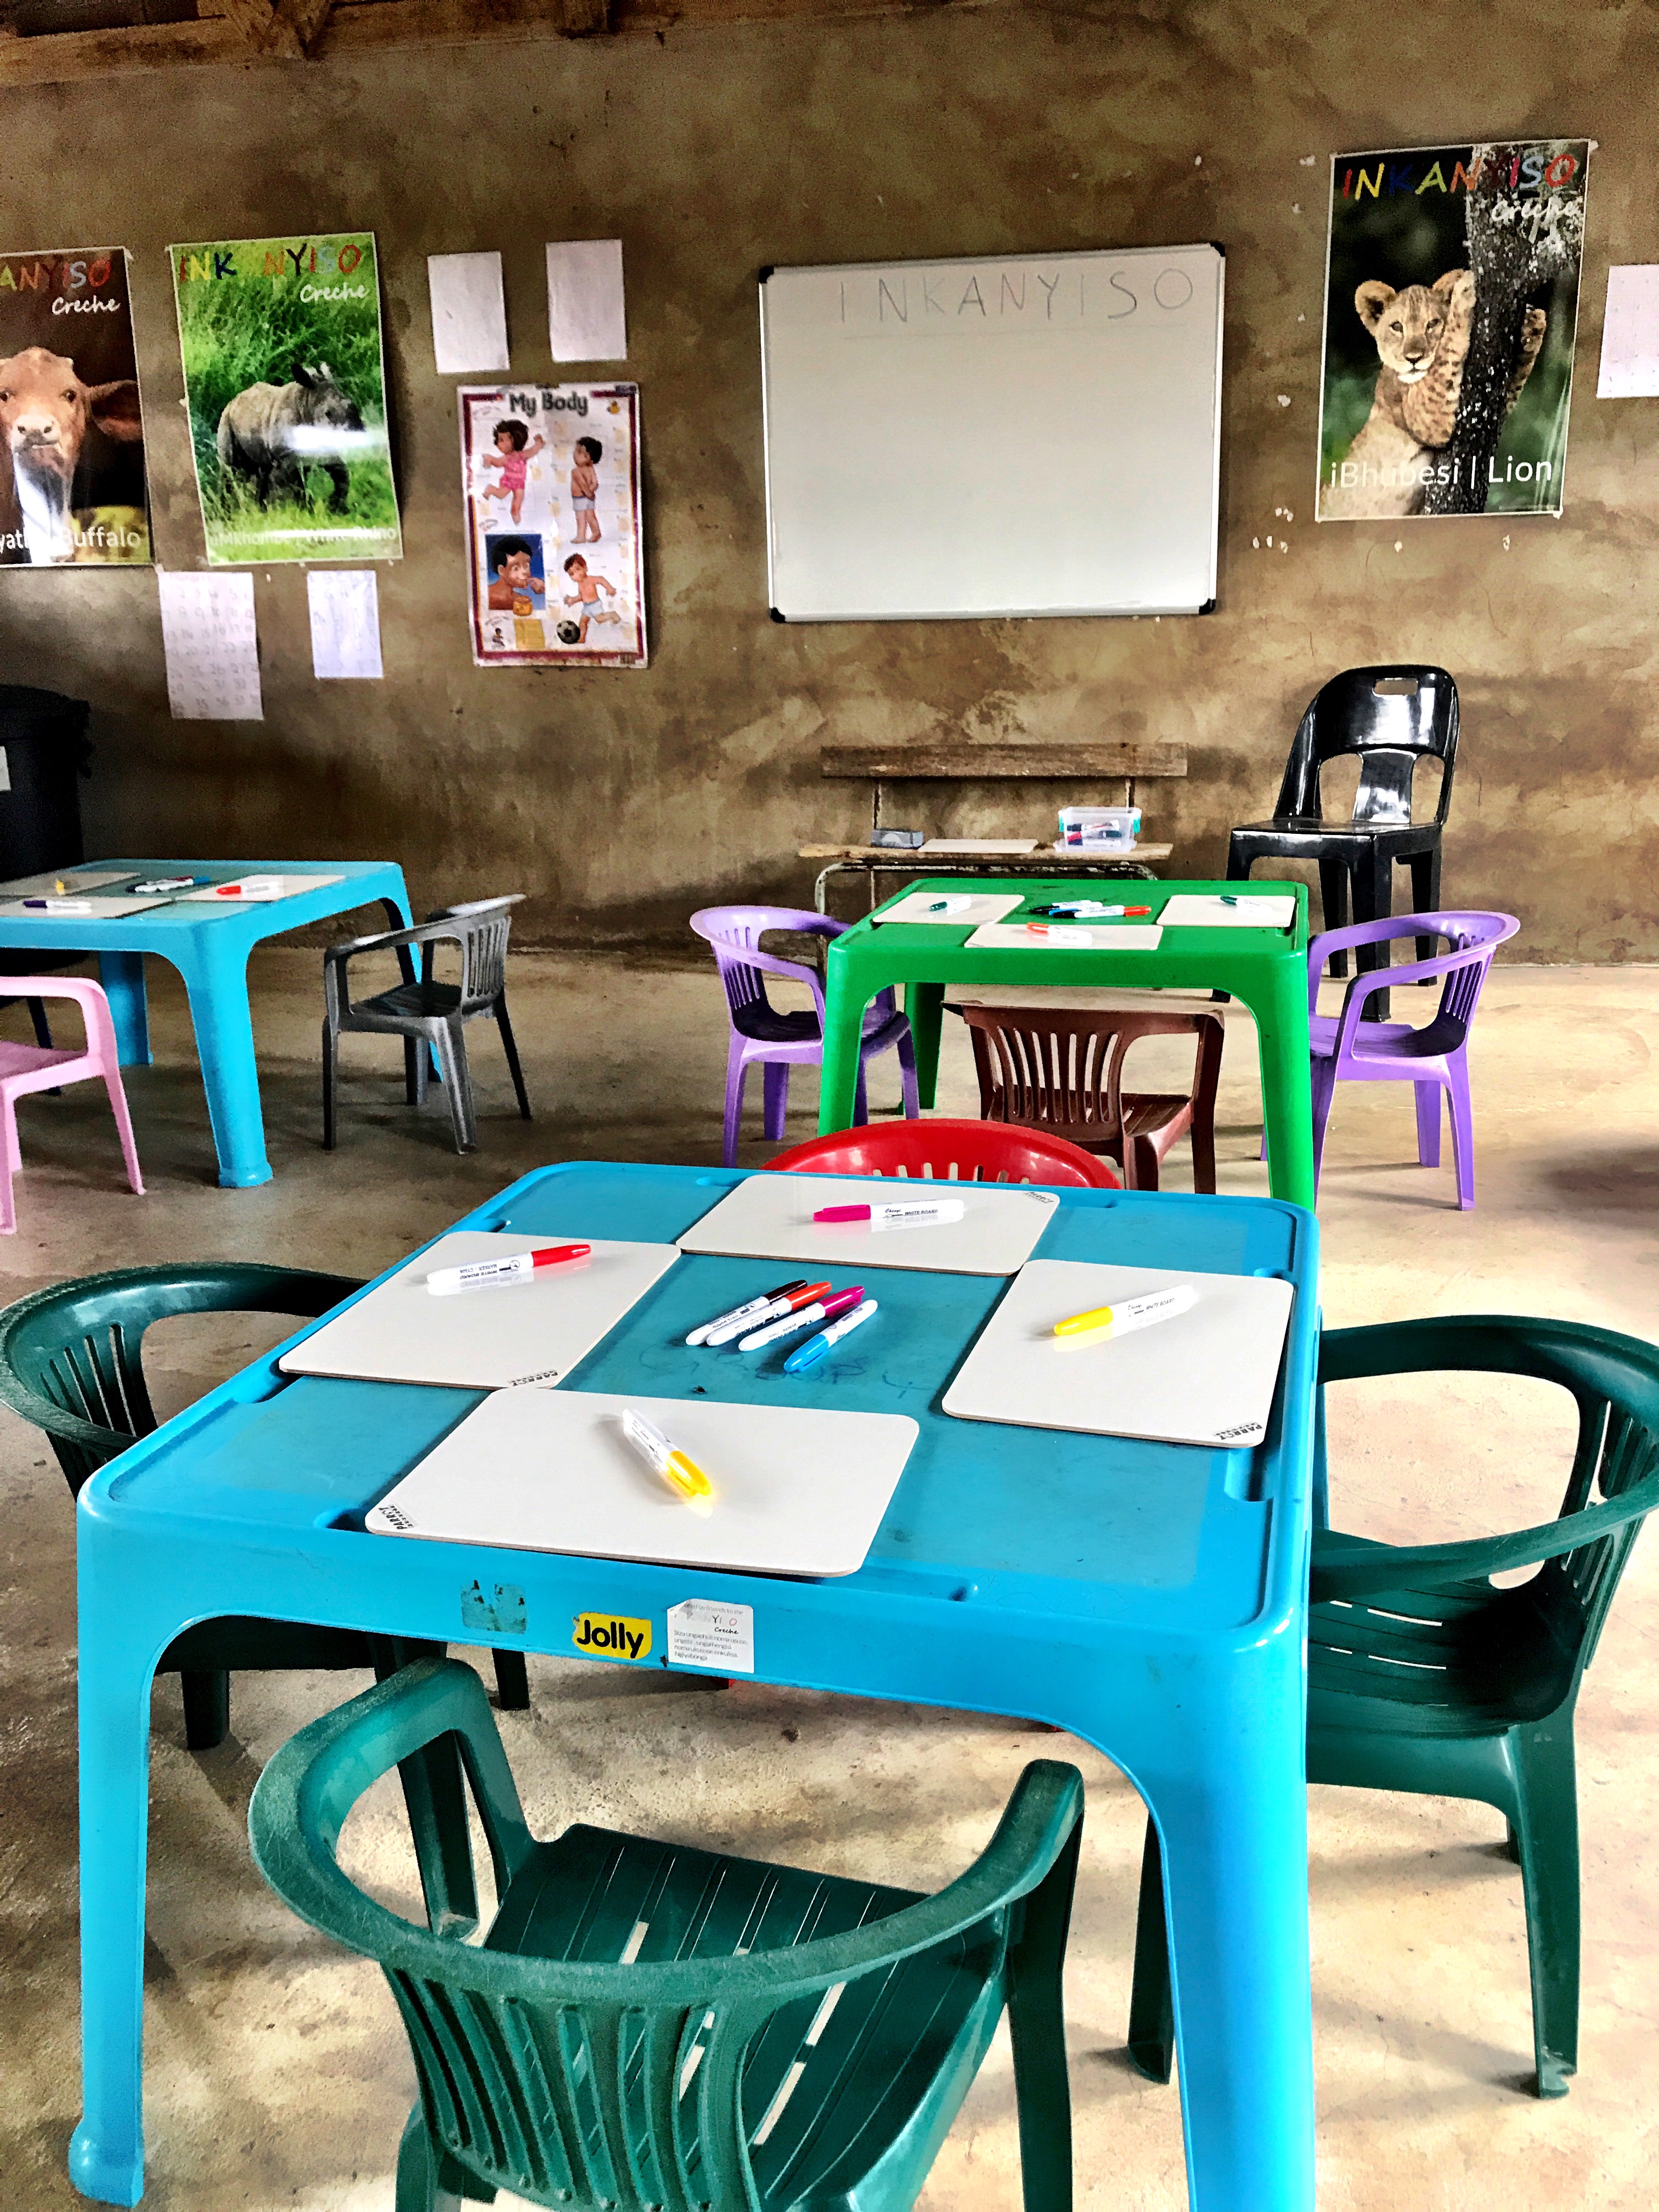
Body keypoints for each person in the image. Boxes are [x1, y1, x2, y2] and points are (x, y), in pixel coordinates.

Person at [480, 419, 544, 524]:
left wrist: (539, 443)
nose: (498, 444)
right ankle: (491, 489)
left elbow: (534, 451)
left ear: (515, 439)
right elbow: (498, 463)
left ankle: (515, 512)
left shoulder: (523, 455)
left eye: (501, 440)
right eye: (498, 440)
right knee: (501, 494)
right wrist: (490, 460)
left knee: (519, 498)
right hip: (508, 481)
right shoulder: (506, 458)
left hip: (520, 483)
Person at [562, 552, 620, 641]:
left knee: (599, 619)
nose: (576, 575)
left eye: (578, 569)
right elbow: (582, 597)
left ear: (585, 568)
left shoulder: (590, 580)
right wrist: (573, 600)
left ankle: (612, 614)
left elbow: (601, 579)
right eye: (572, 574)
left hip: (595, 604)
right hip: (587, 606)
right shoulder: (580, 584)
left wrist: (610, 589)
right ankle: (582, 638)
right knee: (583, 622)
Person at [487, 537, 543, 611]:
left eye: (526, 566)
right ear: (501, 570)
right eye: (516, 569)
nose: (525, 572)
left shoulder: (519, 600)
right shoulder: (489, 597)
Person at [570, 434, 603, 541]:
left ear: (590, 459)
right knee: (590, 516)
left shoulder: (576, 471)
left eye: (580, 453)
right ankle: (596, 533)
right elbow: (595, 483)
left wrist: (588, 493)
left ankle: (581, 536)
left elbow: (582, 484)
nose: (575, 454)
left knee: (581, 518)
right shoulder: (591, 469)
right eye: (576, 451)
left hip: (580, 498)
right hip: (589, 498)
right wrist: (591, 491)